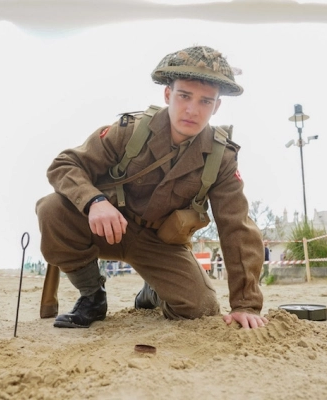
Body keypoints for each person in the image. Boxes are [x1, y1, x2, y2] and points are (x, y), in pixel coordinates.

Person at [36, 45, 268, 330]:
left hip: (160, 244)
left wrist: (246, 304)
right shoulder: (129, 131)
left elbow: (237, 227)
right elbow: (64, 164)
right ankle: (92, 296)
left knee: (201, 308)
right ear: (168, 94)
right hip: (108, 227)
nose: (193, 110)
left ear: (217, 106)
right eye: (184, 96)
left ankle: (153, 292)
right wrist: (94, 201)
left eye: (206, 101)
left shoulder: (222, 157)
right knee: (52, 209)